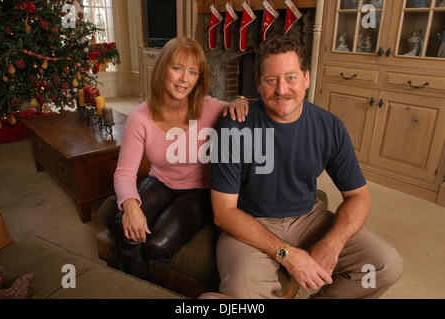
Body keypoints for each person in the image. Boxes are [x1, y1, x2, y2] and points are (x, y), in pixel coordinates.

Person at [210, 34, 403, 298]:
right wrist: (287, 255)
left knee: (384, 266)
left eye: (291, 77)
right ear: (258, 83)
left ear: (306, 79)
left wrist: (332, 245)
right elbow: (224, 212)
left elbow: (359, 196)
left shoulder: (330, 126)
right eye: (271, 80)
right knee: (243, 295)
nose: (281, 89)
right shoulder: (234, 126)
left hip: (308, 218)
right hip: (251, 225)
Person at [111, 37, 249, 280]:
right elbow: (124, 173)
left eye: (193, 72)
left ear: (199, 78)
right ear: (163, 68)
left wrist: (241, 100)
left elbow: (257, 109)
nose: (185, 79)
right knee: (125, 228)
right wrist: (131, 206)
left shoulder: (210, 108)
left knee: (156, 244)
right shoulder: (140, 117)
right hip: (160, 181)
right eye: (177, 68)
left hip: (200, 191)